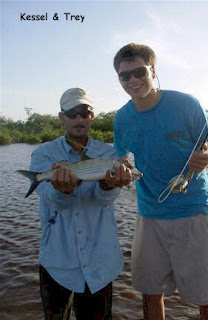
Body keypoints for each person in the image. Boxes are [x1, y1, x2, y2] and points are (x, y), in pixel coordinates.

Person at [113, 43, 208, 320]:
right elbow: (121, 163)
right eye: (124, 76)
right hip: (149, 215)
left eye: (139, 72)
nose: (133, 81)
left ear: (153, 70)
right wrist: (118, 176)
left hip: (194, 212)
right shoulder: (122, 118)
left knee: (205, 294)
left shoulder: (186, 104)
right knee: (150, 291)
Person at [29, 87, 132, 319]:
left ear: (92, 116)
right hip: (57, 261)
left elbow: (104, 201)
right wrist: (63, 191)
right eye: (72, 113)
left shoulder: (109, 153)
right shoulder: (43, 154)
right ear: (61, 117)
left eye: (84, 113)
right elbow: (51, 201)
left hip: (100, 262)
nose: (78, 119)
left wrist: (108, 186)